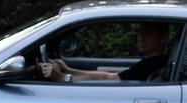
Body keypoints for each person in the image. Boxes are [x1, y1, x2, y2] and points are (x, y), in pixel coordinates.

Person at [41, 23, 171, 82]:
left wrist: (61, 78)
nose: (141, 37)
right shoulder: (154, 62)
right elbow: (114, 75)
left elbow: (111, 79)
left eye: (148, 33)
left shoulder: (152, 66)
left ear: (163, 38)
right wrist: (68, 70)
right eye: (140, 32)